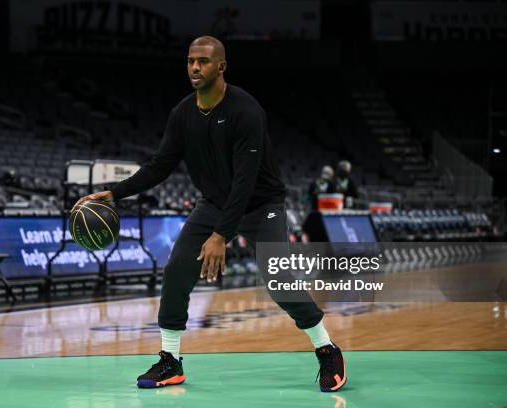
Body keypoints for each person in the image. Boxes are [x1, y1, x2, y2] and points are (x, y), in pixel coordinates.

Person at [75, 36, 346, 392]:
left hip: (261, 205)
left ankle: (326, 348)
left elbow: (245, 182)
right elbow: (160, 165)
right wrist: (114, 193)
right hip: (215, 203)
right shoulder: (183, 114)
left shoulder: (246, 111)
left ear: (221, 67)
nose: (194, 68)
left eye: (202, 61)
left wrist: (220, 236)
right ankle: (170, 361)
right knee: (176, 271)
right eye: (190, 61)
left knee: (278, 280)